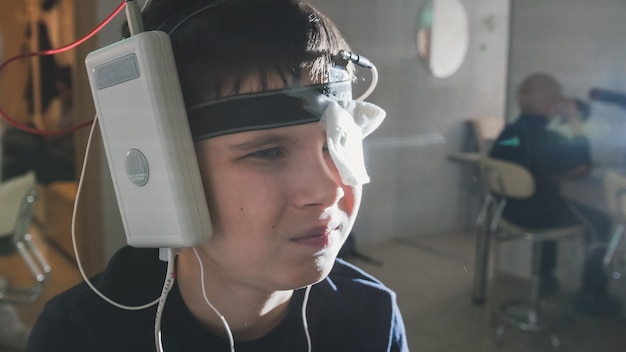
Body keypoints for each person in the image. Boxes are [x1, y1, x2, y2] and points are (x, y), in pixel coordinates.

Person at [26, 0, 408, 351]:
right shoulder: (78, 337)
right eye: (269, 152)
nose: (328, 190)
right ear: (167, 169)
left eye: (336, 143)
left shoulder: (371, 320)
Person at [490, 72, 620, 317]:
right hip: (537, 215)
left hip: (510, 211)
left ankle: (546, 278)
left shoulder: (509, 132)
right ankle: (592, 295)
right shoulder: (548, 138)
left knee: (553, 203)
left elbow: (534, 162)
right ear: (552, 105)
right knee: (599, 221)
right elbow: (584, 166)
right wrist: (573, 120)